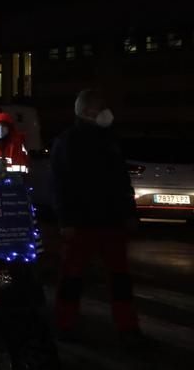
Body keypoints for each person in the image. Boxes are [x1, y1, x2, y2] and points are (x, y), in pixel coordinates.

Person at [50, 89, 144, 345]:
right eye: (99, 106)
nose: (105, 110)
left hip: (111, 222)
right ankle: (64, 324)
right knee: (72, 277)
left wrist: (129, 213)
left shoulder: (109, 139)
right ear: (85, 111)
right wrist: (67, 221)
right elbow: (61, 185)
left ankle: (128, 328)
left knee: (120, 278)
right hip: (82, 224)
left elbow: (121, 182)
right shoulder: (69, 142)